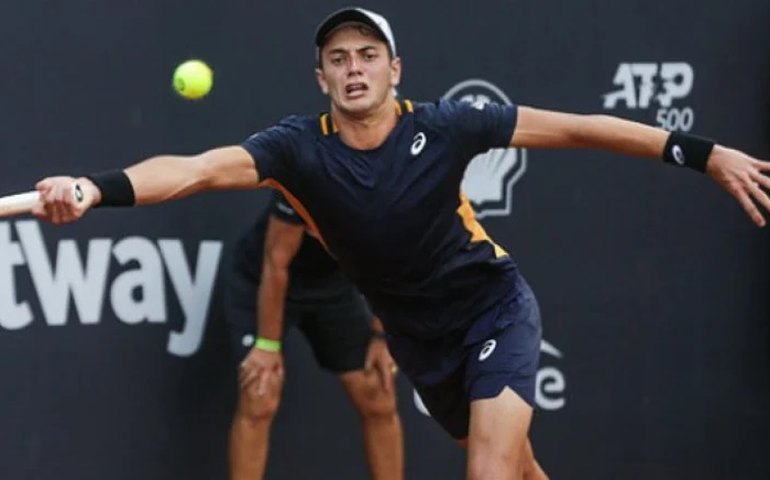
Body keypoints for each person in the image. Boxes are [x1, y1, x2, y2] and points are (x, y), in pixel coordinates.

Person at [31, 6, 770, 480]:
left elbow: (580, 128)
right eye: (338, 58)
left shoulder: (446, 126)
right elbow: (192, 171)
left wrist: (703, 154)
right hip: (423, 346)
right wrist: (96, 188)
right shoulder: (297, 151)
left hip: (492, 310)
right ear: (320, 77)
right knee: (519, 470)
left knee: (489, 472)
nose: (353, 68)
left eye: (367, 54)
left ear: (395, 69)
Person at [226, 191, 403, 480]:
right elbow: (276, 263)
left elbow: (392, 265)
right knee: (260, 392)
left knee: (377, 391)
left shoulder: (390, 192)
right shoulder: (306, 175)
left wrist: (382, 337)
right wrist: (267, 345)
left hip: (332, 289)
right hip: (263, 282)